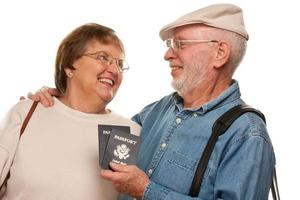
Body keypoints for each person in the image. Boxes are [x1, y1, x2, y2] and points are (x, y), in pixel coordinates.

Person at [27, 3, 276, 200]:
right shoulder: (156, 112)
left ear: (220, 53)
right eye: (170, 44)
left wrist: (146, 190)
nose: (168, 54)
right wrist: (64, 98)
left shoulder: (248, 134)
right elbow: (98, 133)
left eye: (180, 44)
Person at [0, 23, 140, 200]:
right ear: (69, 67)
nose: (114, 70)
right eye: (103, 58)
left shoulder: (130, 132)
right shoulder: (27, 112)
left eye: (120, 64)